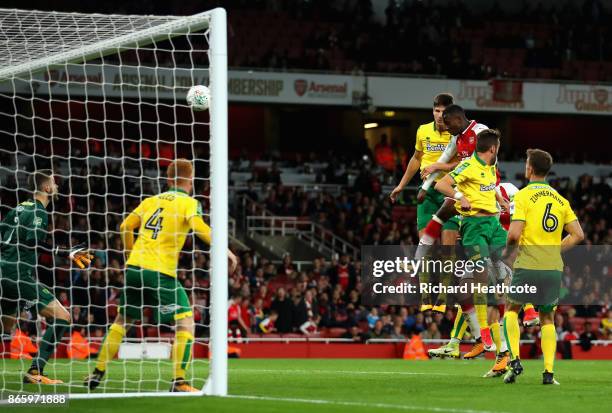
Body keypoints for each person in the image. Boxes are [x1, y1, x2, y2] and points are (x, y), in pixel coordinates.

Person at [85, 159, 237, 392]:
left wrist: (129, 256)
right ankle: (179, 381)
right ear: (191, 179)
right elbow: (199, 228)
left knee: (122, 321)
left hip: (135, 269)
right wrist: (225, 249)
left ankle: (98, 371)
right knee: (185, 320)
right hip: (160, 271)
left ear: (168, 179)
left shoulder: (150, 201)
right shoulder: (189, 202)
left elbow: (125, 226)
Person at [0, 170, 93, 384]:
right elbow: (33, 242)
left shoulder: (17, 208)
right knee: (63, 317)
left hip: (3, 271)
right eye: (54, 183)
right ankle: (36, 371)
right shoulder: (39, 212)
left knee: (5, 328)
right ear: (47, 188)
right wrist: (65, 252)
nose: (57, 186)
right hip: (18, 274)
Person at [502, 149, 584, 385]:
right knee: (547, 318)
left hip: (527, 264)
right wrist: (553, 250)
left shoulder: (523, 196)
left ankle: (515, 360)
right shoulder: (561, 200)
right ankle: (548, 373)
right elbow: (578, 234)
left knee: (511, 310)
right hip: (552, 268)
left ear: (529, 168)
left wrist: (507, 254)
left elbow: (514, 234)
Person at [435, 129, 509, 361]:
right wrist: (460, 197)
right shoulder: (468, 166)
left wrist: (500, 200)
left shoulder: (489, 167)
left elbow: (491, 187)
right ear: (493, 149)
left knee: (509, 261)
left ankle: (524, 312)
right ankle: (483, 334)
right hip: (474, 226)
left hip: (493, 224)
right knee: (480, 274)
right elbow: (441, 185)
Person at [389, 93, 457, 313]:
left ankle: (444, 297)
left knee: (448, 248)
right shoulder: (423, 130)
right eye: (436, 111)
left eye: (443, 112)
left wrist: (438, 167)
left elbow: (464, 163)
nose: (439, 115)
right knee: (425, 246)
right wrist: (401, 185)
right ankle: (426, 296)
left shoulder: (458, 135)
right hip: (426, 194)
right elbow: (416, 158)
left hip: (448, 192)